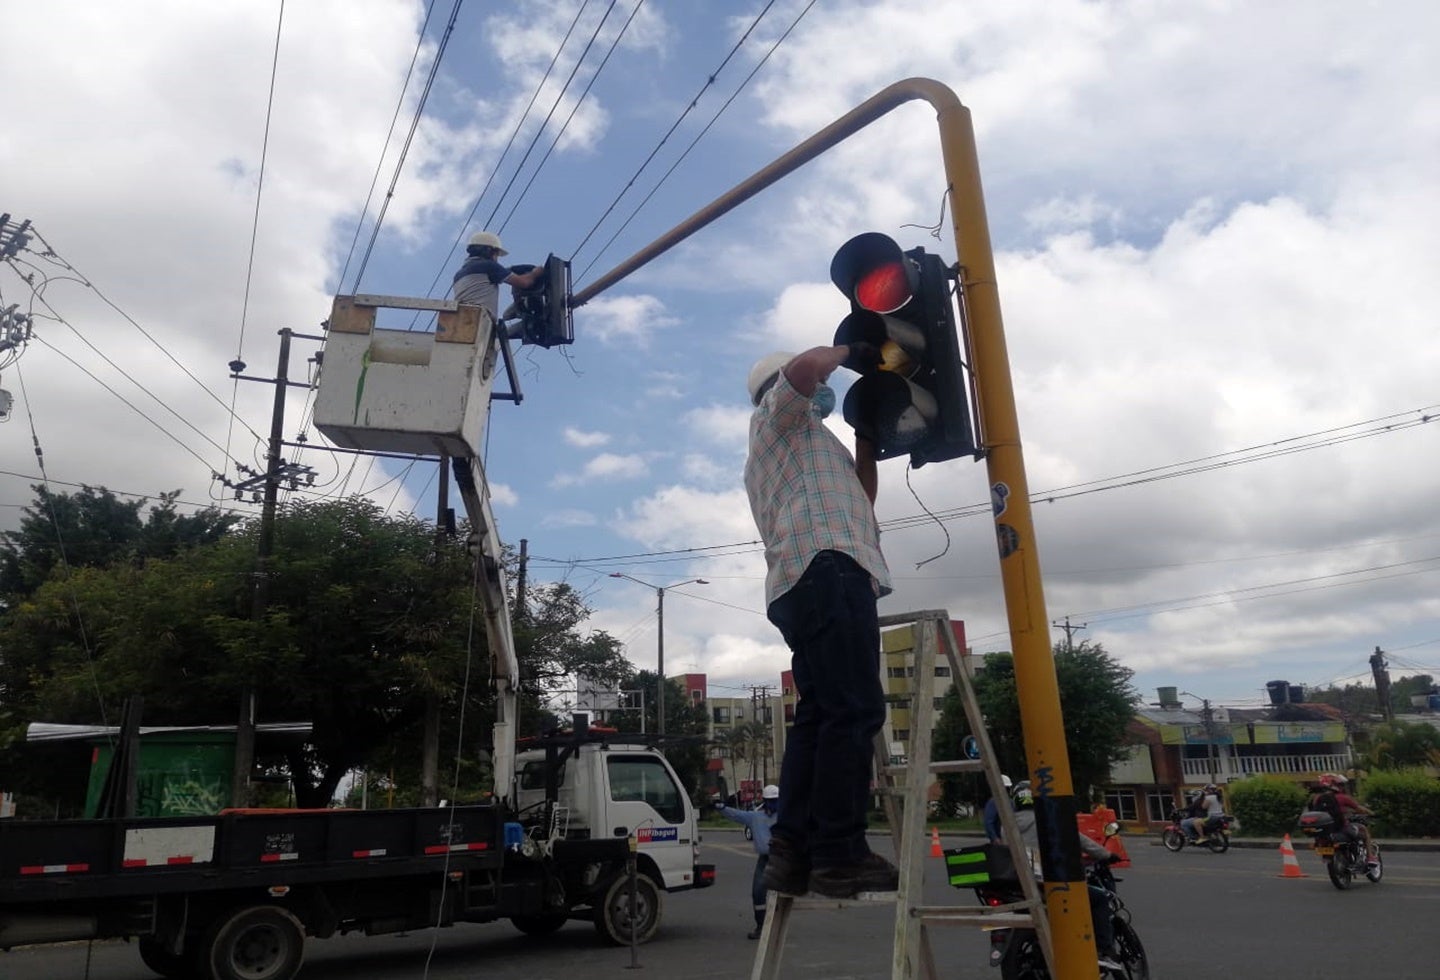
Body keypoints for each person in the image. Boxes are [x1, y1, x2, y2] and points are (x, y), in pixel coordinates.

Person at [743, 345, 899, 901]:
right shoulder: (778, 421)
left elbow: (862, 497)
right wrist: (856, 348)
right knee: (855, 709)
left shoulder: (810, 444)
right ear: (775, 391)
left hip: (809, 578)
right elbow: (807, 368)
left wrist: (866, 438)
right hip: (828, 567)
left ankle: (793, 849)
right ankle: (839, 852)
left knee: (822, 713)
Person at [1009, 780, 1124, 973]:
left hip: (1017, 884)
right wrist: (1106, 854)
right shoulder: (1048, 818)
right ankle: (1104, 951)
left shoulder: (1007, 823)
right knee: (1098, 898)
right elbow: (1078, 839)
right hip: (1047, 882)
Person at [715, 784, 781, 939]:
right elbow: (737, 815)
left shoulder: (785, 817)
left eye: (776, 801)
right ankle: (761, 926)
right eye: (770, 801)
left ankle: (777, 922)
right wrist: (722, 808)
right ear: (765, 801)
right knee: (758, 892)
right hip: (764, 860)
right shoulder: (756, 817)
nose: (773, 804)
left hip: (781, 859)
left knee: (781, 894)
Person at [451, 231, 543, 327]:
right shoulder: (489, 266)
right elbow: (524, 282)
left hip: (461, 323)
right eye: (496, 254)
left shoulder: (459, 274)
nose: (496, 259)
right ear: (488, 251)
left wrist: (512, 269)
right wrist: (536, 272)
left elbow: (496, 273)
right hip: (480, 321)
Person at [1310, 772, 1376, 867]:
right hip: (1342, 828)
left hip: (1324, 832)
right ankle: (1371, 858)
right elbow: (1359, 809)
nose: (1342, 787)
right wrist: (1372, 813)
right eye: (1340, 785)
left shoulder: (1316, 799)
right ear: (1333, 785)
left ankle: (1332, 856)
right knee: (1364, 830)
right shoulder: (1342, 797)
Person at [983, 774, 1014, 843]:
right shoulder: (993, 802)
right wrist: (995, 838)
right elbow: (988, 822)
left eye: (1008, 788)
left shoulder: (1011, 802)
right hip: (999, 839)